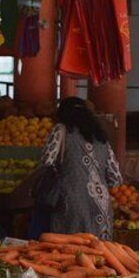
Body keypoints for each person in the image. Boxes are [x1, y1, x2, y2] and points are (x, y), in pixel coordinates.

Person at [38, 97, 122, 240]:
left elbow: (46, 161)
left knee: (71, 252)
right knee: (100, 254)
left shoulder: (61, 130)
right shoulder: (100, 136)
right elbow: (116, 178)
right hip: (102, 207)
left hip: (71, 204)